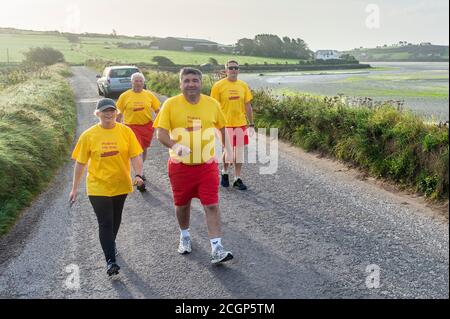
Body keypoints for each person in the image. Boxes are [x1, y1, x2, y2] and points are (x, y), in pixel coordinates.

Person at [153, 67, 234, 264]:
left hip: (207, 165)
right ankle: (185, 236)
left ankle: (217, 248)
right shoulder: (171, 105)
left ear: (200, 83)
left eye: (195, 80)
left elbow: (222, 128)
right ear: (180, 84)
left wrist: (228, 150)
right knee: (182, 205)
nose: (191, 84)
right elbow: (161, 133)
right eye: (187, 80)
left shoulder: (212, 104)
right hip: (180, 167)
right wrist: (175, 145)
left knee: (212, 205)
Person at [69, 98, 144, 276]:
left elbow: (135, 155)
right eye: (104, 111)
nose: (109, 113)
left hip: (121, 184)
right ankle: (110, 261)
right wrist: (74, 188)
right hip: (97, 186)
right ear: (98, 114)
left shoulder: (126, 132)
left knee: (116, 220)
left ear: (116, 112)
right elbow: (80, 163)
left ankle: (110, 244)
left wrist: (139, 174)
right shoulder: (88, 135)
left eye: (111, 110)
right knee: (105, 222)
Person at [211, 60, 255, 191]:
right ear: (226, 70)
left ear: (239, 70)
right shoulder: (218, 86)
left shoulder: (243, 85)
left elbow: (248, 105)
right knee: (228, 151)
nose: (234, 70)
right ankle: (224, 172)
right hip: (224, 124)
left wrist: (251, 123)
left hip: (240, 123)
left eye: (236, 68)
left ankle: (237, 178)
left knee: (239, 152)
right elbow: (213, 106)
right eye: (231, 68)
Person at [116, 72, 161, 192]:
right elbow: (119, 113)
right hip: (131, 127)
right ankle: (139, 175)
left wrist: (158, 123)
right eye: (136, 80)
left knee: (144, 149)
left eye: (140, 81)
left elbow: (158, 110)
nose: (138, 83)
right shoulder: (125, 96)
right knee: (138, 150)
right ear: (131, 82)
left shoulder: (149, 95)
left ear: (143, 83)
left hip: (147, 126)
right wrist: (116, 127)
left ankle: (141, 168)